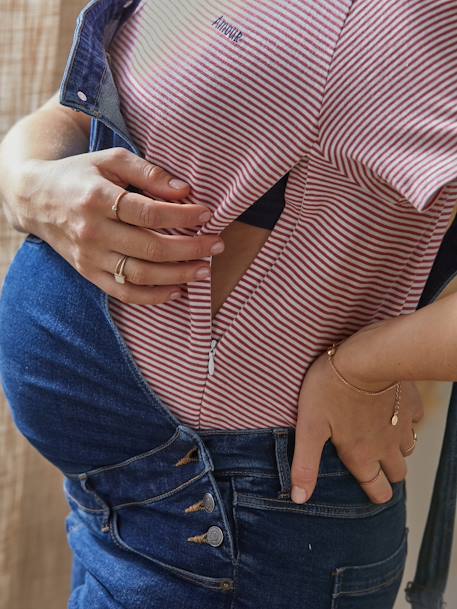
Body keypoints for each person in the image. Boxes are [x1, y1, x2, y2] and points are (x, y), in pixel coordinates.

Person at [0, 1, 457, 607]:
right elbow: (82, 113)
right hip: (131, 505)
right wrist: (27, 184)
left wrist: (367, 367)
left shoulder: (406, 26)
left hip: (226, 524)